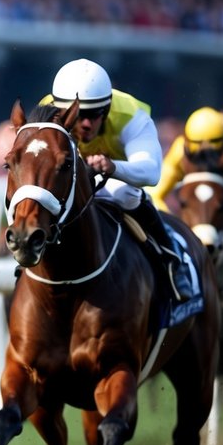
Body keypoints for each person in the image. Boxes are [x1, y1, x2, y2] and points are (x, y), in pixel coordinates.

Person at [42, 58, 192, 301]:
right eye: (79, 116)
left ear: (108, 107)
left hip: (118, 177)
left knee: (125, 193)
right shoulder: (47, 113)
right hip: (73, 178)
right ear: (61, 111)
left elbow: (152, 172)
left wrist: (112, 167)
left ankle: (172, 260)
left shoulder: (131, 116)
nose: (87, 124)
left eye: (95, 114)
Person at [149, 106, 223, 209]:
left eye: (212, 153)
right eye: (198, 154)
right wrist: (172, 223)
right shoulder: (180, 151)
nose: (205, 159)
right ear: (186, 143)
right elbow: (154, 194)